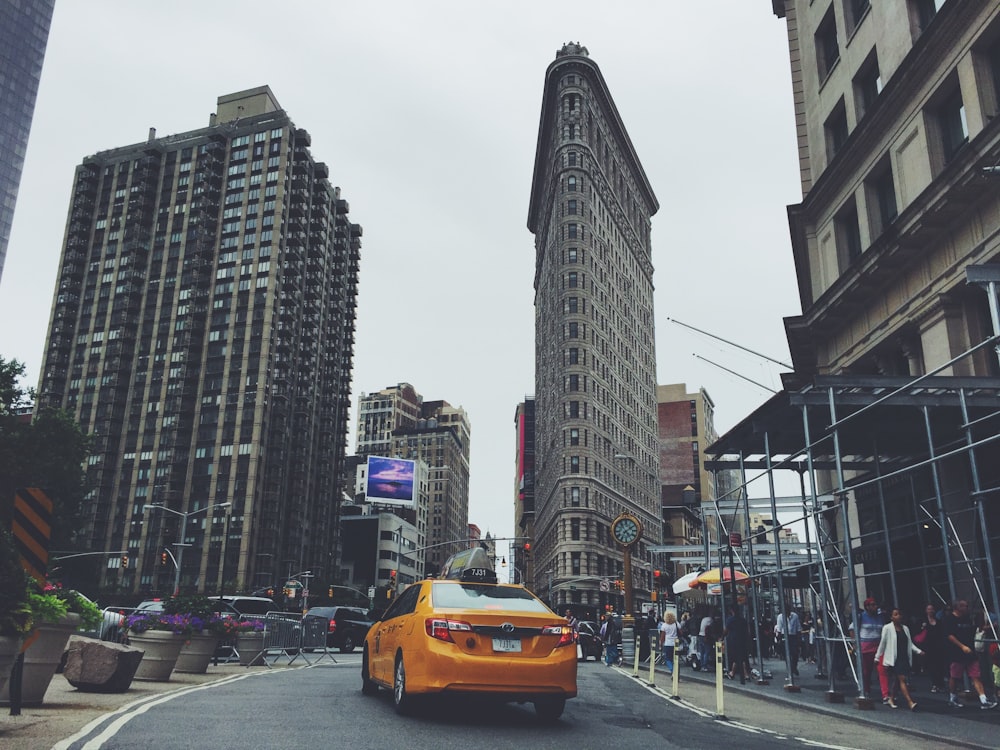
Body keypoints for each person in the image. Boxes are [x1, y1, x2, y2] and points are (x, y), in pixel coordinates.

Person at [942, 599, 997, 710]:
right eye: (963, 606)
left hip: (970, 652)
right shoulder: (949, 619)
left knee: (976, 675)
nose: (966, 608)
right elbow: (950, 635)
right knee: (955, 676)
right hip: (957, 652)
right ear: (957, 607)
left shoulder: (968, 619)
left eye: (966, 606)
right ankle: (952, 697)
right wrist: (962, 646)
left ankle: (983, 699)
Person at [875, 607, 923, 710]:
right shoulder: (887, 628)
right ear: (891, 617)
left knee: (898, 680)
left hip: (904, 657)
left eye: (899, 614)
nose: (898, 616)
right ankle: (910, 702)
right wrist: (877, 657)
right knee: (902, 679)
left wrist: (918, 651)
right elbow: (882, 643)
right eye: (896, 614)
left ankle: (891, 698)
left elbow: (910, 643)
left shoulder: (905, 628)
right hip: (894, 658)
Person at [855, 597, 884, 700]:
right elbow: (852, 628)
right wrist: (856, 645)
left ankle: (885, 693)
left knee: (883, 670)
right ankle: (866, 690)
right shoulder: (861, 617)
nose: (876, 607)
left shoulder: (880, 617)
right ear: (867, 607)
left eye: (875, 604)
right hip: (865, 649)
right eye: (873, 605)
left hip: (878, 648)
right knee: (866, 671)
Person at [916, 603, 946, 693]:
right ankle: (934, 684)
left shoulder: (938, 621)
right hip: (928, 647)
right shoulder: (923, 622)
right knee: (931, 666)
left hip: (938, 646)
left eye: (932, 609)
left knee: (940, 665)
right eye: (928, 609)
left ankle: (941, 684)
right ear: (926, 611)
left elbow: (941, 633)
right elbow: (919, 634)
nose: (930, 611)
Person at [725, 605, 751, 684]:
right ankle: (735, 673)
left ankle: (742, 674)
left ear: (731, 610)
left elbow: (726, 629)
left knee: (738, 657)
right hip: (742, 640)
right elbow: (748, 631)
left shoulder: (730, 620)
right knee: (740, 657)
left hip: (733, 641)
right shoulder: (743, 620)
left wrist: (722, 637)